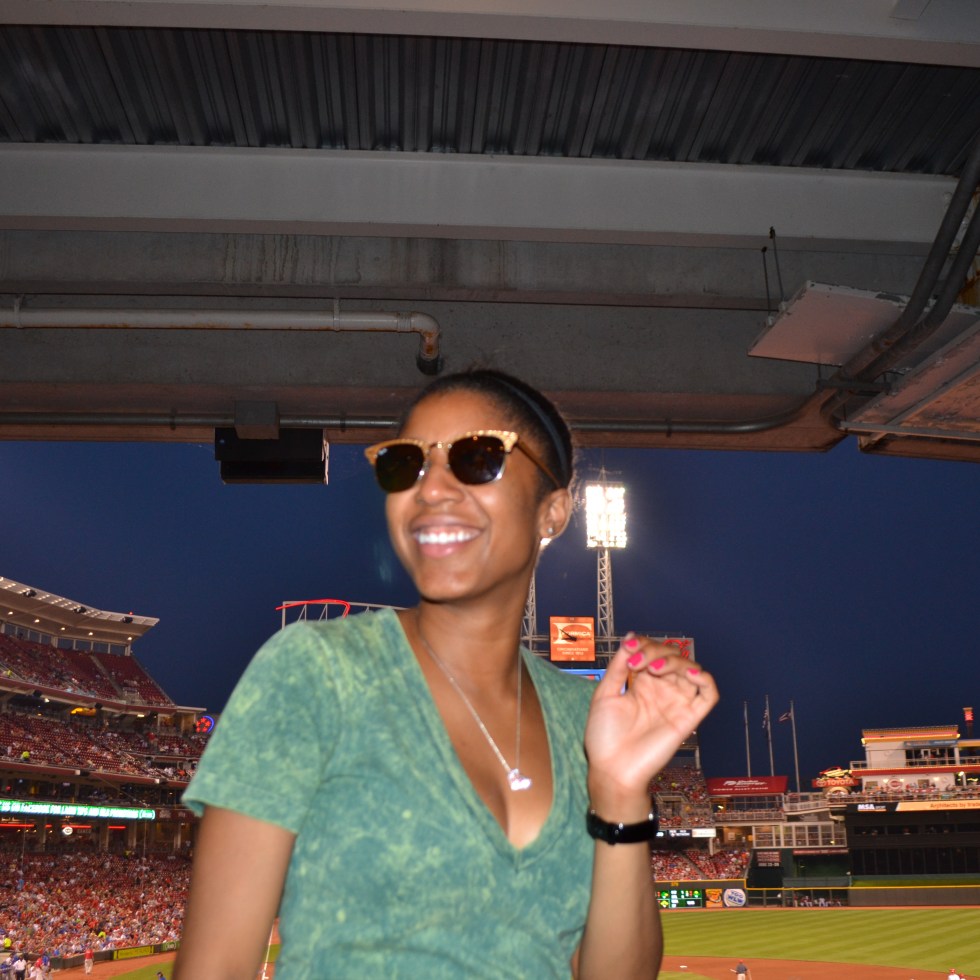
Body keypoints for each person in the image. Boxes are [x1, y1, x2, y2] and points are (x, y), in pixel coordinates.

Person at [175, 368, 719, 979]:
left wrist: (620, 792)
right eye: (404, 464)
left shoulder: (586, 719)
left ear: (554, 511)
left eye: (477, 457)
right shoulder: (315, 670)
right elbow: (215, 966)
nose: (430, 488)